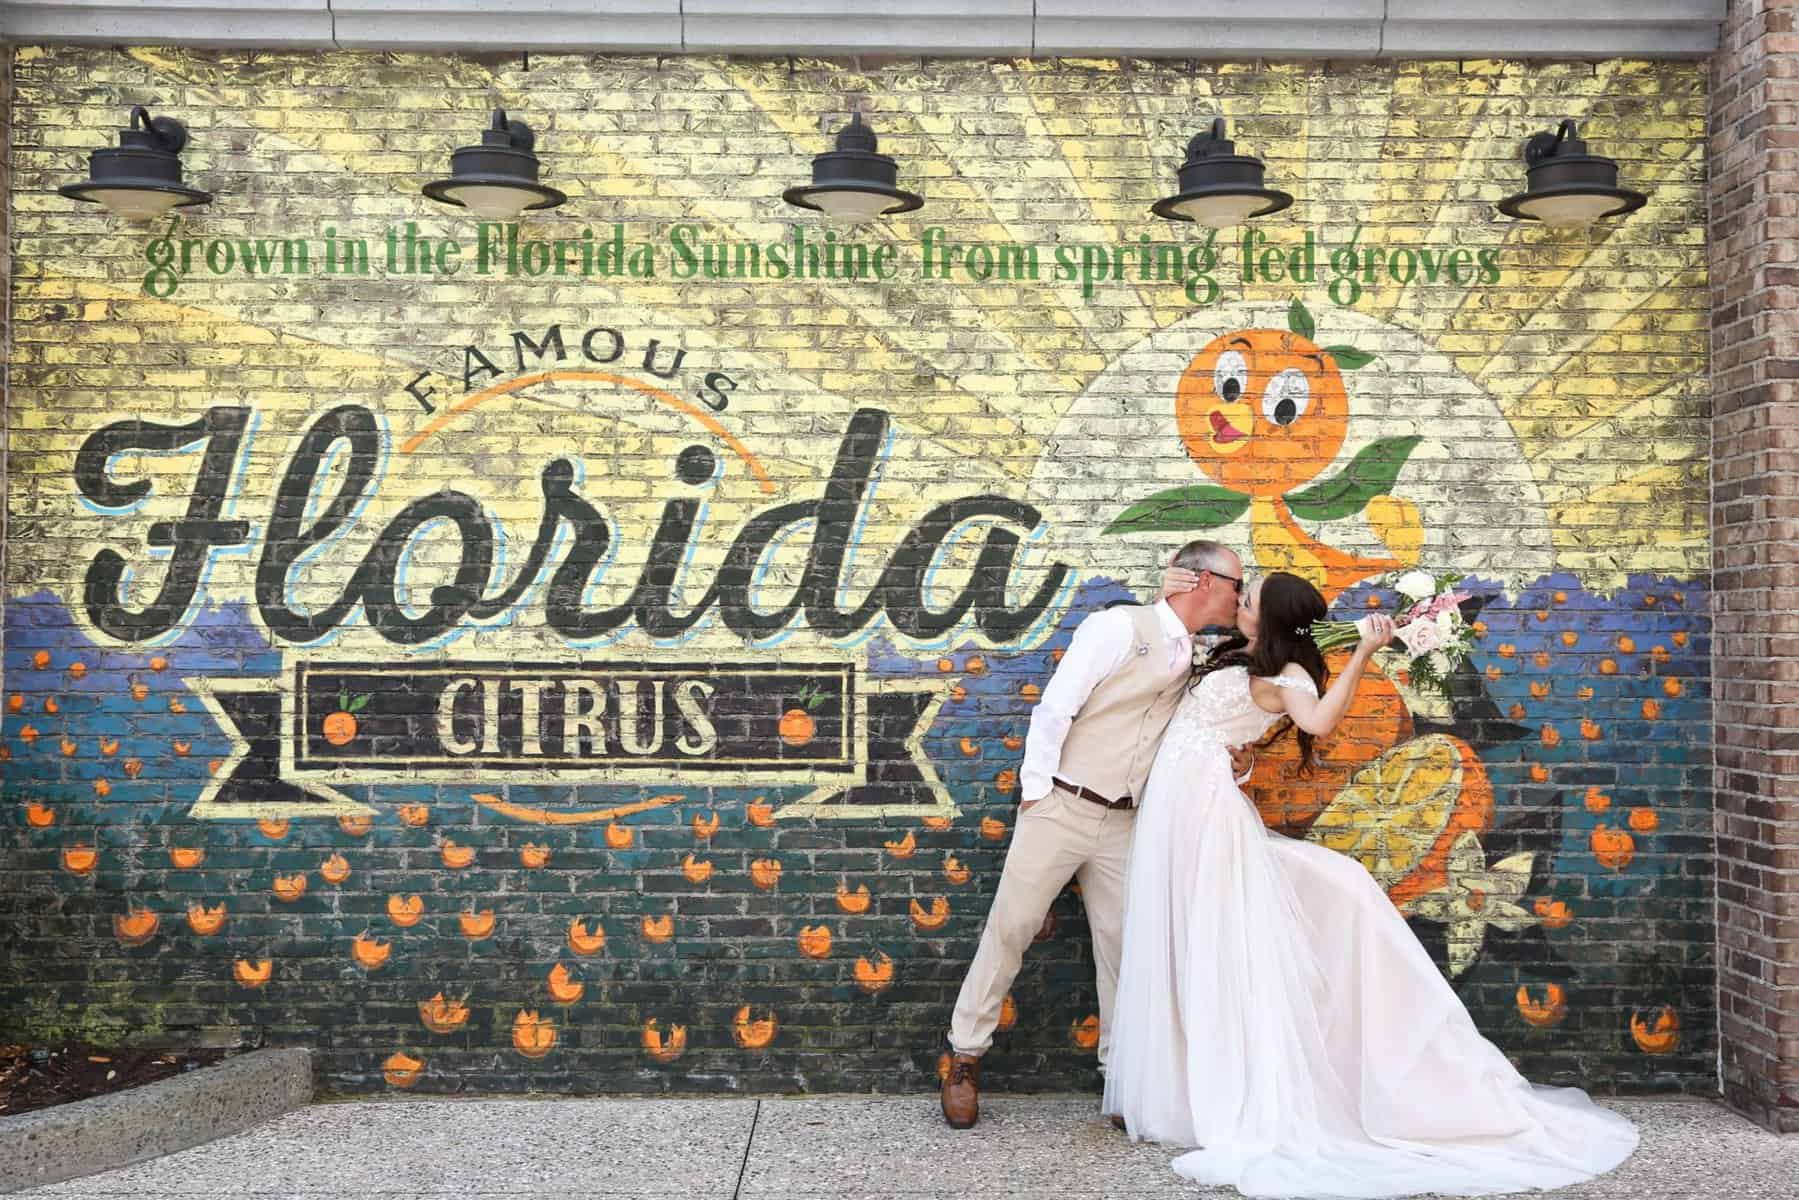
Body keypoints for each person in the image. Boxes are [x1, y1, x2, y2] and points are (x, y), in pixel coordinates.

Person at [1103, 571, 1639, 1198]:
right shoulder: (1232, 655)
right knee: (1182, 934)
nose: (1240, 601)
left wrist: (1362, 651)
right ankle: (1181, 1086)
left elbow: (1324, 722)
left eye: (1250, 599)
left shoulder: (1289, 676)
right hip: (1178, 803)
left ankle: (1234, 1087)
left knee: (1228, 937)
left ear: (1274, 618)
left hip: (1205, 813)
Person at [939, 539, 1252, 1129]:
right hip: (1062, 804)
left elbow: (1205, 736)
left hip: (1128, 822)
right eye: (1237, 582)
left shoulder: (1208, 657)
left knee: (1126, 948)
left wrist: (1240, 765)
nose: (1241, 594)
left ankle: (1122, 1075)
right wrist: (1037, 793)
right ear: (1201, 581)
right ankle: (964, 1055)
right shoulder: (1117, 627)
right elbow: (1057, 706)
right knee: (1011, 928)